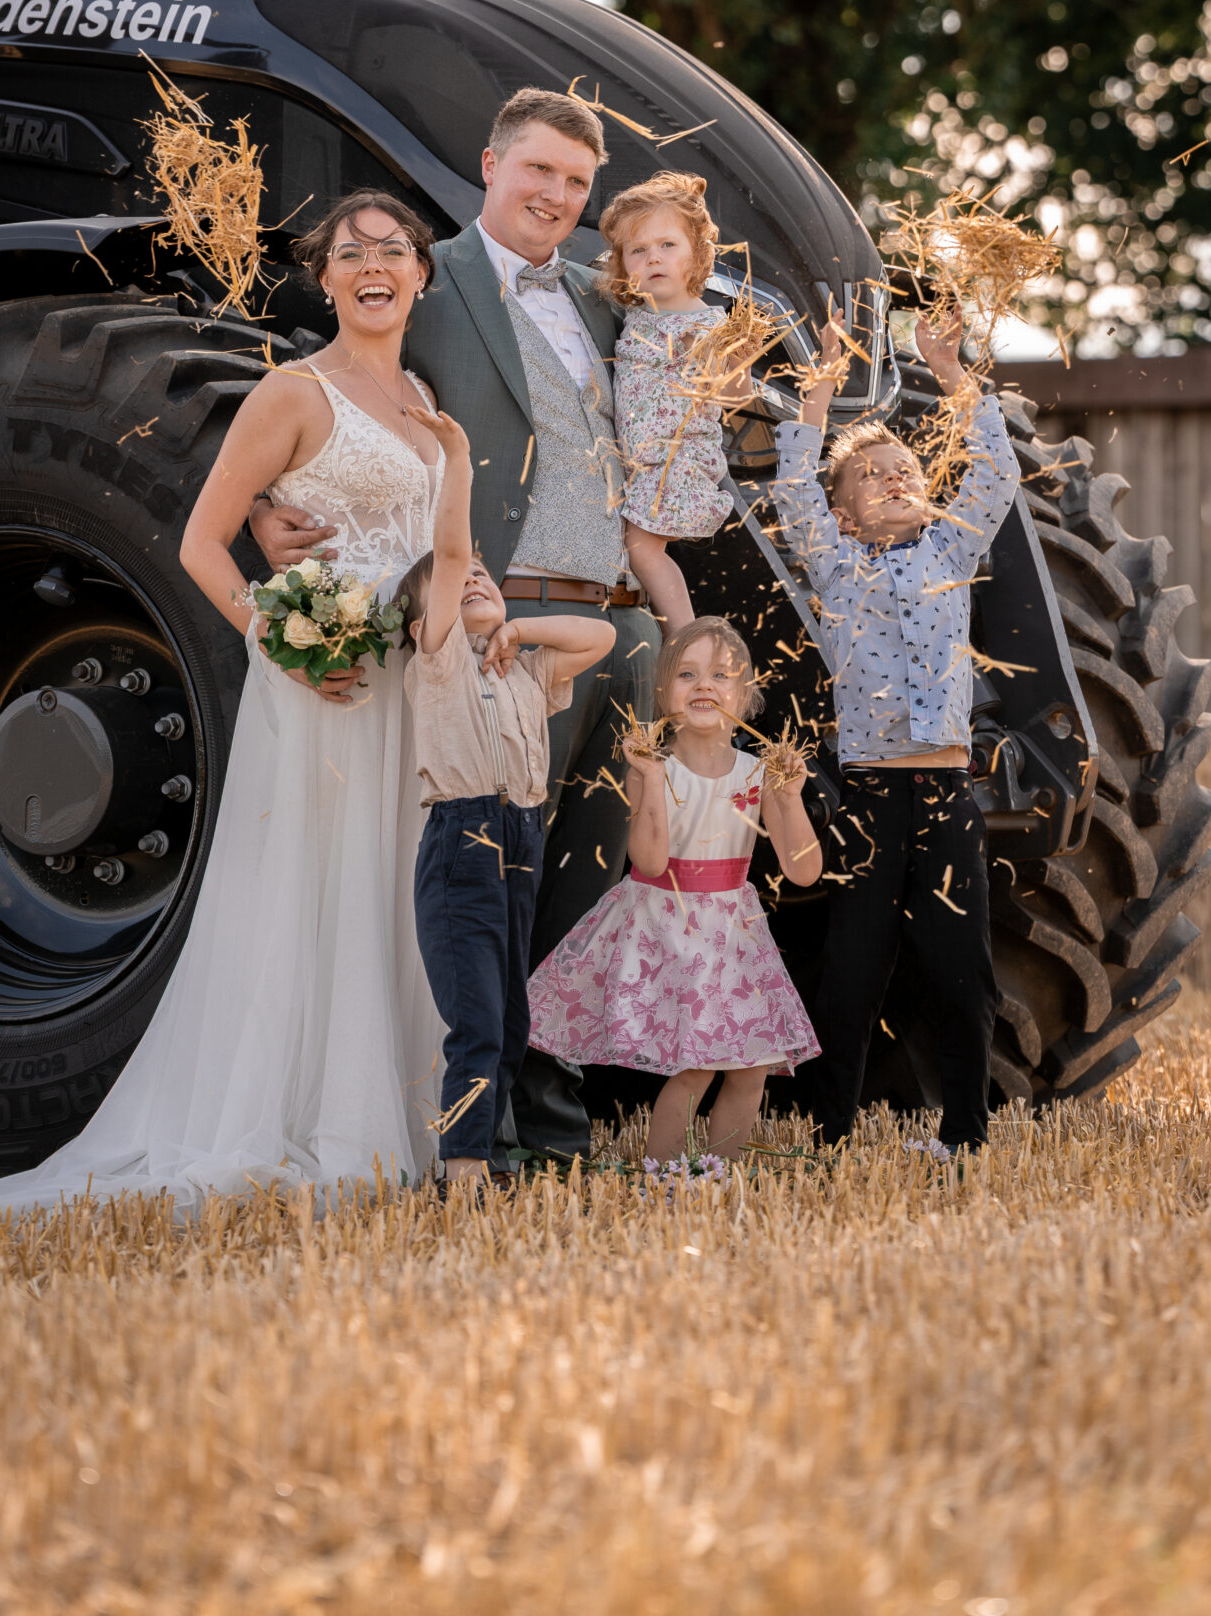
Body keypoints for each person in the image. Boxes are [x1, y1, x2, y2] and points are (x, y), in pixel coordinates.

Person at [0, 190, 450, 1231]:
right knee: (317, 886)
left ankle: (397, 1114)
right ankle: (312, 1122)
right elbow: (203, 543)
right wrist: (280, 638)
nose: (371, 267)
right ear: (323, 276)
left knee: (390, 883)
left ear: (421, 274)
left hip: (400, 678)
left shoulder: (423, 400)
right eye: (349, 252)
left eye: (391, 251)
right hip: (322, 678)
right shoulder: (293, 393)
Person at [252, 87, 663, 1162]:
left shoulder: (604, 298)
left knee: (583, 889)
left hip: (614, 625)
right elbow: (324, 387)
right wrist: (262, 506)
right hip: (492, 623)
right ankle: (493, 1134)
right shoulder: (421, 279)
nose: (558, 196)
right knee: (493, 887)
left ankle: (557, 1127)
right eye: (539, 171)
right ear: (489, 164)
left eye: (577, 182)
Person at [773, 298, 1020, 1162]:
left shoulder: (950, 555)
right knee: (851, 972)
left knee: (961, 971)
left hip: (946, 794)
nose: (890, 478)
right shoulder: (836, 566)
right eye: (868, 475)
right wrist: (817, 394)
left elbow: (995, 474)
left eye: (903, 468)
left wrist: (951, 371)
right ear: (842, 513)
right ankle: (829, 1138)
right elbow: (792, 490)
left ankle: (964, 1136)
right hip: (870, 797)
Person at [399, 415, 614, 1192]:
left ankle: (488, 1152)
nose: (474, 579)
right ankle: (461, 1169)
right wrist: (458, 455)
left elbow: (596, 638)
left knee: (512, 1019)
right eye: (459, 582)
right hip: (463, 842)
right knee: (477, 1016)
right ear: (424, 619)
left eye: (487, 576)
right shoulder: (439, 663)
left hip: (521, 837)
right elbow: (452, 553)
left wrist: (519, 628)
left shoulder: (524, 672)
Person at [527, 617, 821, 1163]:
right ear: (664, 692)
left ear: (746, 695)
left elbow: (803, 871)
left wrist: (791, 797)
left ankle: (719, 1176)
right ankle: (662, 1179)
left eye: (721, 675)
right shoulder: (653, 768)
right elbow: (649, 860)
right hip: (671, 926)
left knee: (752, 1068)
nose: (704, 684)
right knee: (698, 1067)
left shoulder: (758, 774)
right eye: (687, 674)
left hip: (732, 935)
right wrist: (652, 782)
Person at [599, 169, 752, 633]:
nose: (653, 258)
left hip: (675, 460)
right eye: (638, 250)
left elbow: (736, 397)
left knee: (643, 549)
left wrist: (738, 364)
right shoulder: (638, 314)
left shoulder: (703, 326)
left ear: (697, 254)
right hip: (641, 460)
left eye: (668, 245)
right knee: (636, 549)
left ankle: (684, 638)